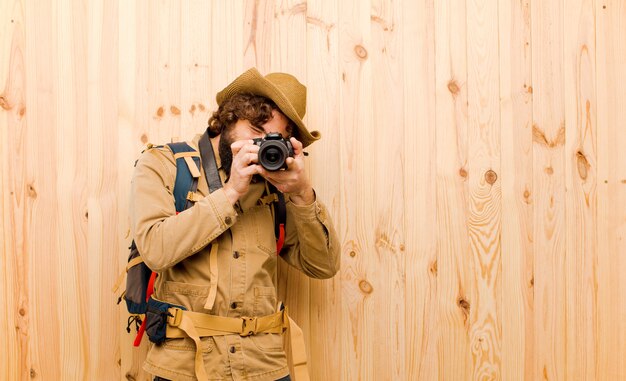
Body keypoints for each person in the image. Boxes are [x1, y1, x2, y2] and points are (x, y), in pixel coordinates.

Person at [130, 67, 340, 381]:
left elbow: (323, 266)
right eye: (256, 128)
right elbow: (156, 249)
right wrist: (231, 192)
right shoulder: (164, 165)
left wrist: (301, 193)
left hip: (263, 366)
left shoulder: (276, 189)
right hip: (184, 367)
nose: (261, 144)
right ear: (230, 117)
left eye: (275, 139)